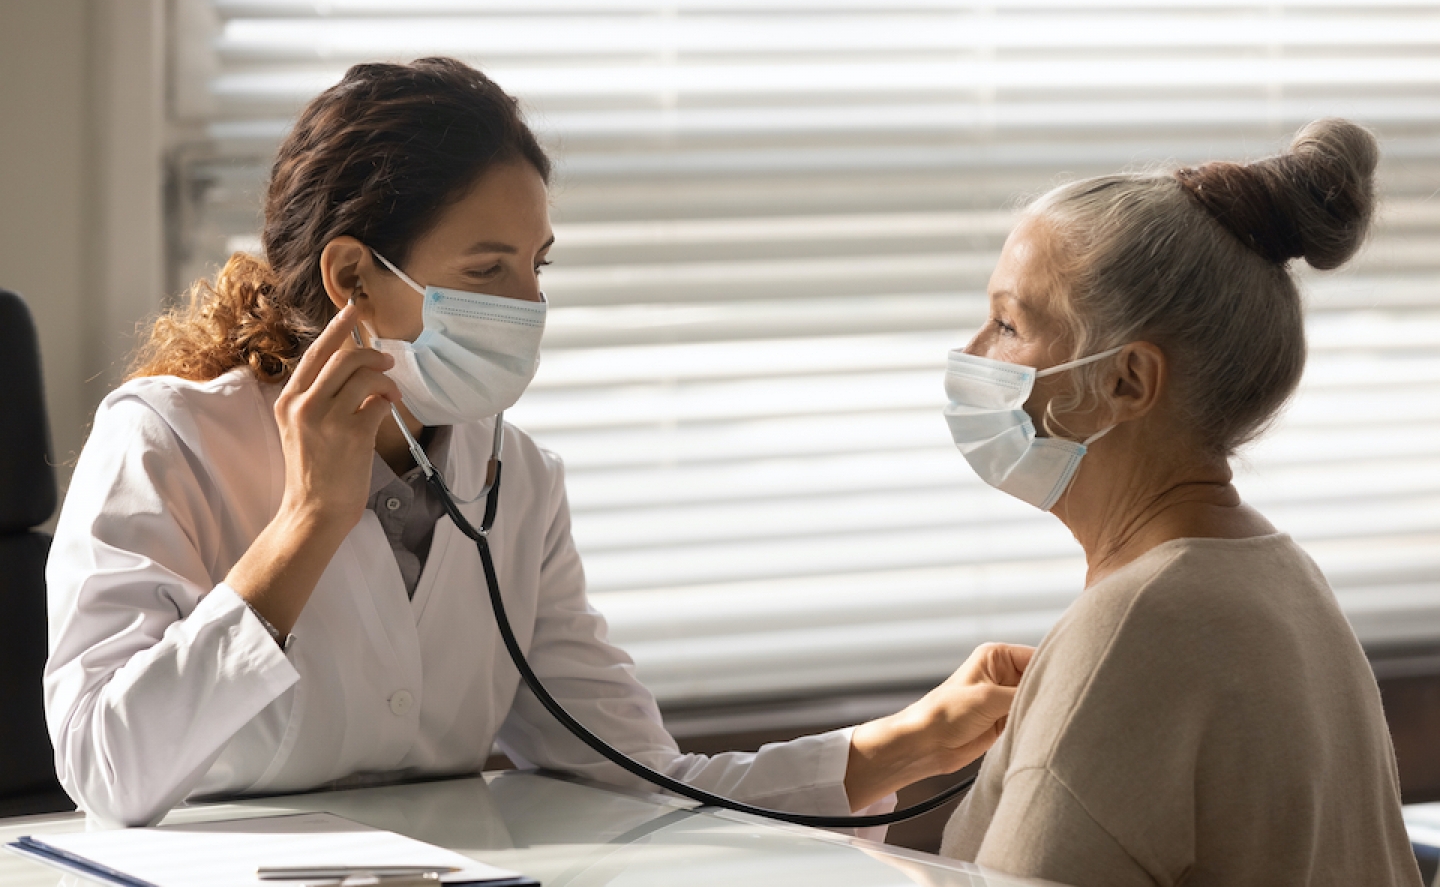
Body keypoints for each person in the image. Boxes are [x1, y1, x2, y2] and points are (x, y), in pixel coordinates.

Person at [44, 57, 1031, 829]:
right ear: (353, 277)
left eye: (536, 266)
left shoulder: (515, 479)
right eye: (488, 268)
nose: (531, 305)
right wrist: (305, 527)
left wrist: (902, 745)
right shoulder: (166, 444)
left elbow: (640, 785)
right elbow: (106, 773)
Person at [937, 119, 1421, 885]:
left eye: (1008, 324)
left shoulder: (1134, 629)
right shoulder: (1279, 577)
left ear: (1126, 381)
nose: (969, 356)